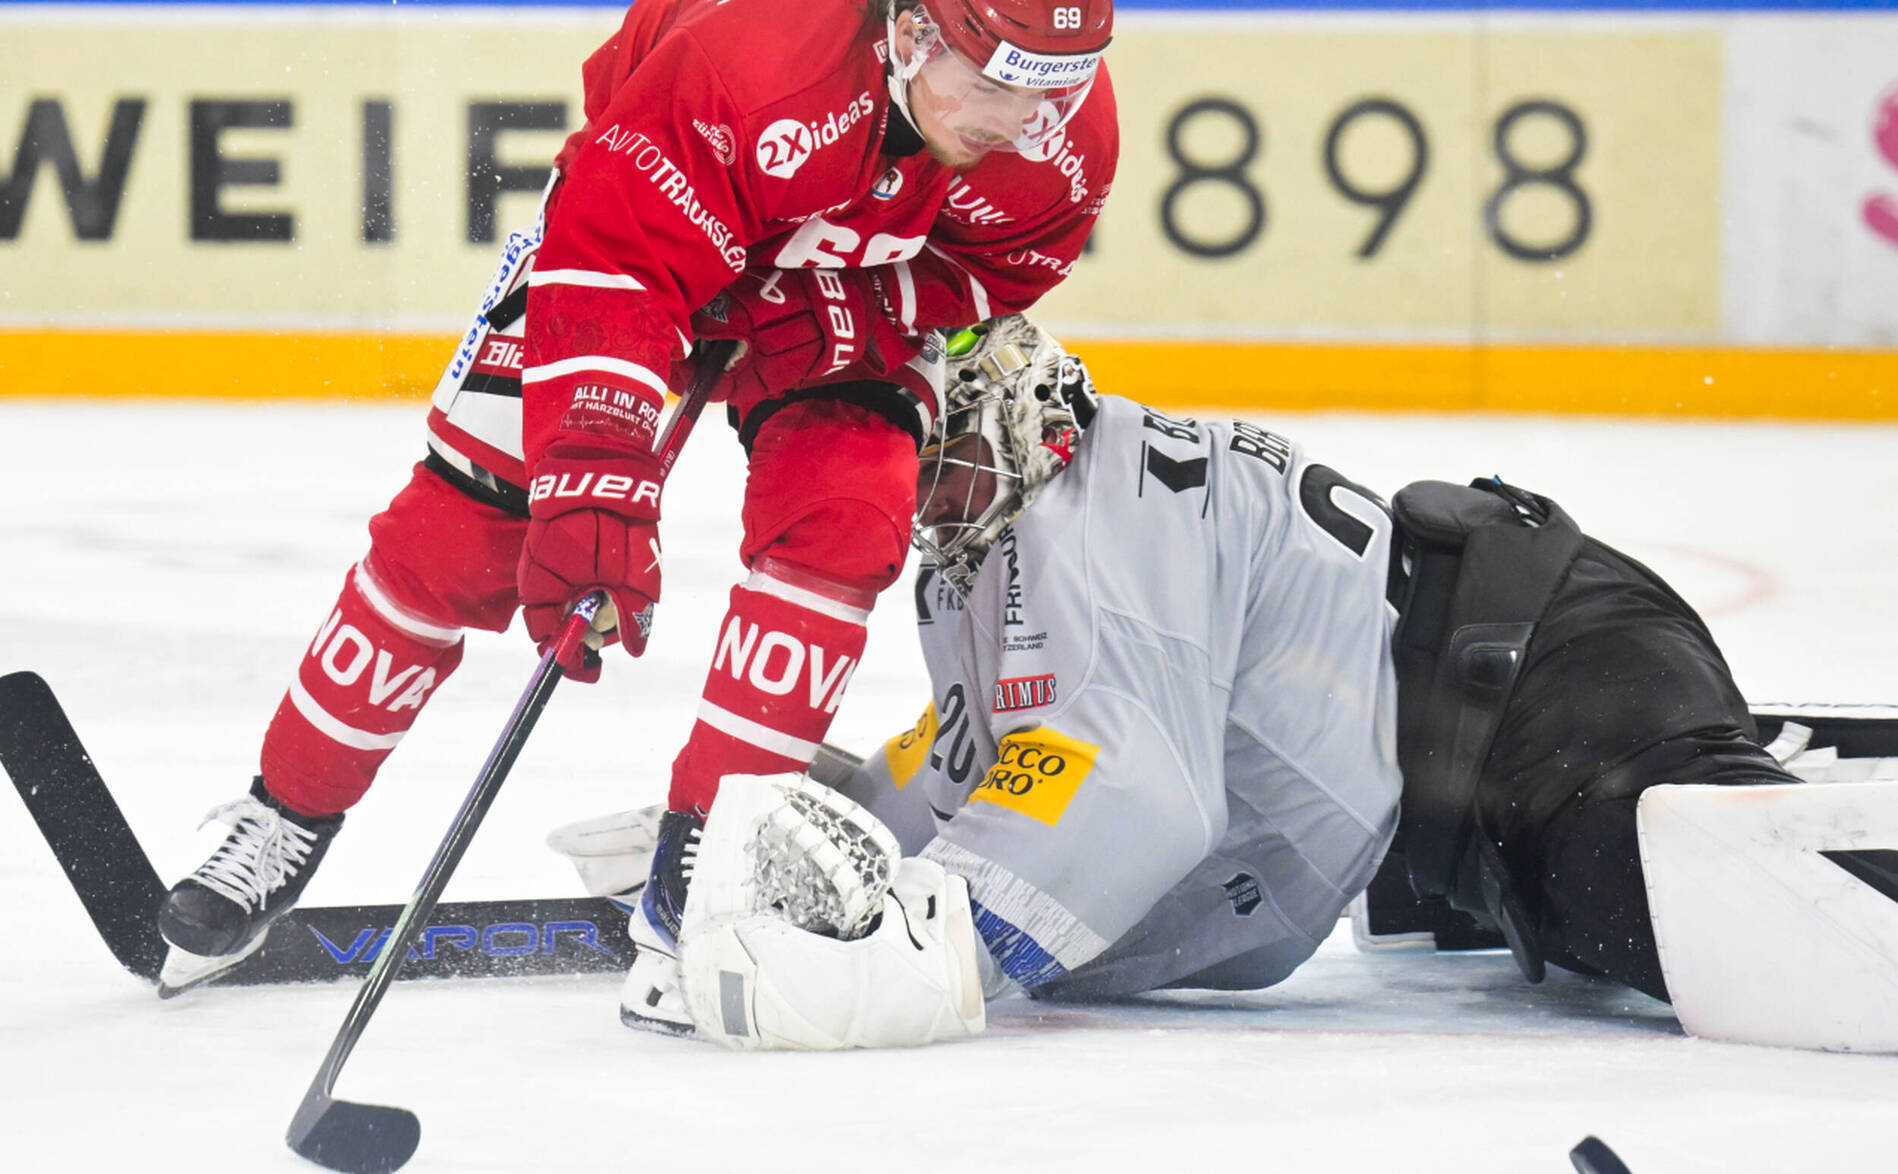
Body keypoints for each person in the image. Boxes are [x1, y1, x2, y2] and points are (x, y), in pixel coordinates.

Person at [152, 0, 1119, 1009]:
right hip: (636, 227)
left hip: (841, 292)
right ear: (916, 35)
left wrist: (816, 309)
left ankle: (712, 866)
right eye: (1000, 81)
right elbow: (612, 257)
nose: (1027, 117)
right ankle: (285, 814)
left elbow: (985, 274)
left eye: (1055, 82)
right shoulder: (754, 60)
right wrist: (595, 482)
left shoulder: (1063, 138)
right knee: (463, 532)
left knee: (845, 514)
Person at [568, 313, 1823, 1049]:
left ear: (1006, 412)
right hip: (1472, 750)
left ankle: (1769, 807)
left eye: (921, 446)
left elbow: (1136, 794)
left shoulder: (1086, 533)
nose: (906, 489)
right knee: (1636, 923)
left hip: (1546, 693)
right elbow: (982, 765)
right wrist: (772, 827)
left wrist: (902, 949)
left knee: (1754, 938)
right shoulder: (987, 546)